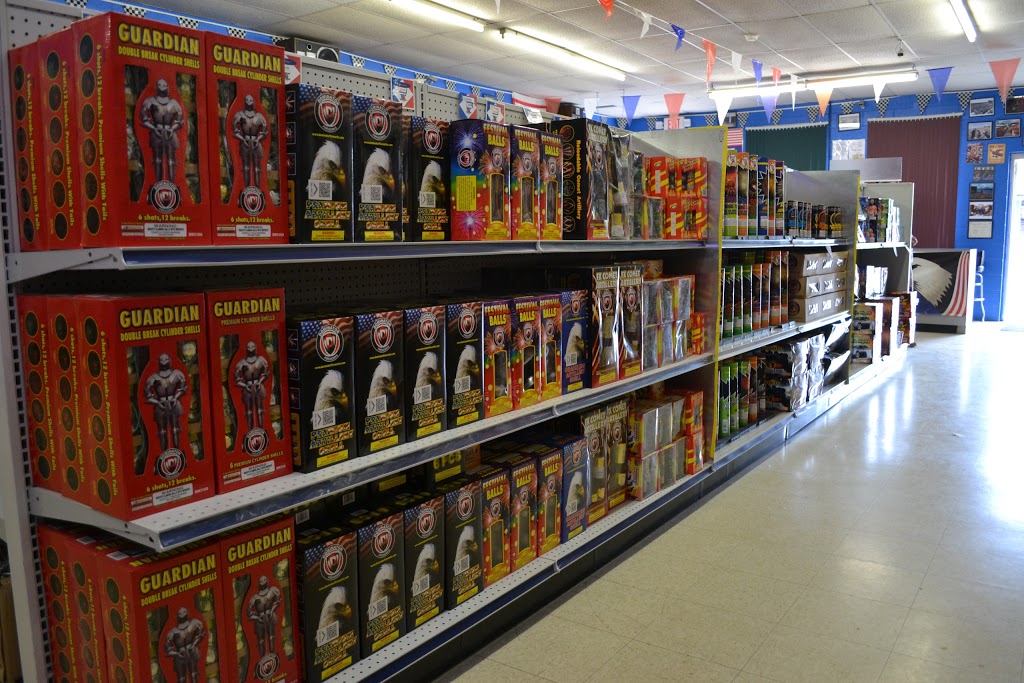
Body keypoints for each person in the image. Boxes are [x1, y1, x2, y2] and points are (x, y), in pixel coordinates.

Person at [140, 79, 184, 184]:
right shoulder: (150, 101)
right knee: (157, 160)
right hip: (157, 131)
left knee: (171, 161)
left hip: (170, 132)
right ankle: (158, 185)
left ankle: (172, 185)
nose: (162, 87)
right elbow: (144, 119)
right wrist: (154, 128)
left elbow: (180, 121)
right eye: (160, 85)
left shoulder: (174, 103)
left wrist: (172, 129)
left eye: (164, 85)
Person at [145, 353, 187, 455]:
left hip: (174, 402)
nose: (164, 362)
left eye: (166, 359)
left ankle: (177, 454)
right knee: (162, 432)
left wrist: (176, 397)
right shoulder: (153, 377)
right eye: (162, 360)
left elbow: (183, 388)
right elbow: (148, 396)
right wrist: (157, 402)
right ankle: (165, 455)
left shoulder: (177, 373)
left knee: (175, 429)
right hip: (161, 404)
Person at [233, 94, 268, 189]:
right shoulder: (239, 115)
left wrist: (258, 139)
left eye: (251, 100)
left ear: (254, 102)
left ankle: (257, 190)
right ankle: (246, 190)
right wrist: (242, 139)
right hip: (245, 141)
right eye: (247, 100)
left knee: (257, 168)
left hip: (256, 141)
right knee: (245, 168)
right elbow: (235, 131)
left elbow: (265, 132)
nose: (249, 102)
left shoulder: (259, 116)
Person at [234, 340, 270, 431]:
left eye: (252, 347)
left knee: (260, 410)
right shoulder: (241, 363)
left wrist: (260, 381)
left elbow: (266, 373)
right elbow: (237, 379)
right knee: (248, 412)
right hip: (247, 387)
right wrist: (244, 385)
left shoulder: (261, 359)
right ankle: (250, 433)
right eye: (249, 347)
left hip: (259, 385)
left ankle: (261, 431)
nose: (251, 349)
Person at [164, 607, 205, 683]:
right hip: (180, 654)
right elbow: (167, 650)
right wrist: (177, 653)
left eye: (183, 612)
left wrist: (194, 644)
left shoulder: (194, 623)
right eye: (180, 613)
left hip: (192, 651)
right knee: (182, 679)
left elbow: (201, 634)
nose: (182, 614)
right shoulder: (172, 632)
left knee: (193, 674)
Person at [247, 576, 282, 658]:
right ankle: (262, 658)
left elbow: (278, 601)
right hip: (259, 619)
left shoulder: (272, 590)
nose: (262, 582)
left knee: (272, 636)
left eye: (264, 580)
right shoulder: (254, 598)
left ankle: (273, 655)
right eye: (261, 581)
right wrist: (257, 618)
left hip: (270, 616)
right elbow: (250, 613)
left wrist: (272, 610)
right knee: (261, 640)